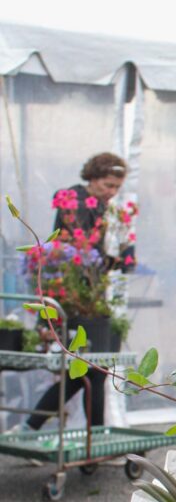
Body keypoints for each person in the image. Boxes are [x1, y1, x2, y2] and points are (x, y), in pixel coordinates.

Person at [13, 153, 129, 433]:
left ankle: (37, 427)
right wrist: (115, 260)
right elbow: (82, 252)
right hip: (75, 301)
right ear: (92, 178)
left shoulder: (96, 206)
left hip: (87, 297)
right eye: (107, 185)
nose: (111, 193)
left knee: (91, 371)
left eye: (116, 187)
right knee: (93, 369)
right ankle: (92, 436)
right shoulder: (75, 202)